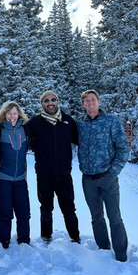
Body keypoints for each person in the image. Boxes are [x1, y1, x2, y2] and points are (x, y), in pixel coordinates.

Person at [76, 89, 130, 262]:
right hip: (88, 179)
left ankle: (121, 254)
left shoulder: (111, 121)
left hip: (108, 178)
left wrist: (114, 171)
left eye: (93, 100)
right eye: (87, 101)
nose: (90, 103)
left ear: (98, 102)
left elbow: (123, 148)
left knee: (114, 217)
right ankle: (103, 250)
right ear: (83, 104)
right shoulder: (80, 124)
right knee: (96, 217)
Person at [25, 90, 81, 244]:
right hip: (44, 174)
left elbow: (82, 141)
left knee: (69, 208)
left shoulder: (68, 122)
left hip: (64, 174)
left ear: (57, 101)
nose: (50, 103)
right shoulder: (34, 123)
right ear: (42, 103)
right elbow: (19, 136)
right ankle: (45, 237)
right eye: (46, 100)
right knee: (46, 208)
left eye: (53, 99)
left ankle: (75, 238)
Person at [0, 101, 31, 248]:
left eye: (15, 113)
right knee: (5, 213)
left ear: (19, 114)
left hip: (21, 179)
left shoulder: (25, 130)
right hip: (2, 178)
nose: (12, 116)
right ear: (4, 115)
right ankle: (3, 241)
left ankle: (24, 240)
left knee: (24, 212)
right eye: (9, 113)